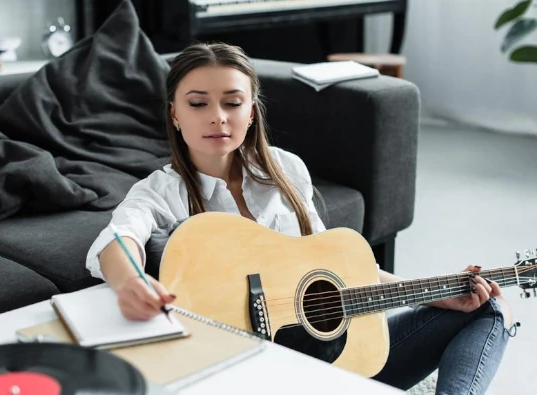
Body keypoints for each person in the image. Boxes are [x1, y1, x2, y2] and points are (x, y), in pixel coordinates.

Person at [85, 42, 515, 394]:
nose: (218, 116)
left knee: (489, 307)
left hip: (339, 362)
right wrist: (132, 282)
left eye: (233, 102)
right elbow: (117, 241)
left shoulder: (286, 170)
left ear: (251, 112)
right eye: (198, 103)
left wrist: (432, 294)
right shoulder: (162, 191)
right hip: (255, 380)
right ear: (175, 114)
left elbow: (341, 271)